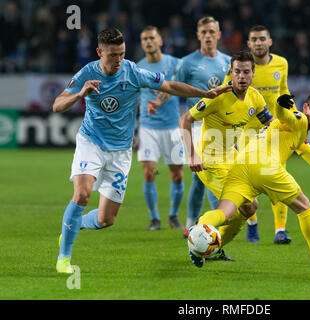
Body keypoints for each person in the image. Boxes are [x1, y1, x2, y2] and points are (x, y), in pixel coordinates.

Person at [52, 27, 231, 274]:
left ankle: (73, 226)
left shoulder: (132, 71)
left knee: (106, 220)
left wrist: (206, 93)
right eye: (113, 55)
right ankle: (64, 258)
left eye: (122, 54)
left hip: (121, 151)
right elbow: (57, 104)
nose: (118, 60)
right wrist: (79, 94)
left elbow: (170, 86)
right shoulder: (86, 73)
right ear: (99, 52)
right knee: (82, 194)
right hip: (91, 142)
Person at [189, 91, 310, 273]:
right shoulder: (300, 119)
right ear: (306, 108)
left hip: (243, 167)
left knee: (227, 212)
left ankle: (197, 238)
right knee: (304, 207)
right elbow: (284, 115)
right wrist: (279, 104)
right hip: (266, 167)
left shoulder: (299, 135)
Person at [179, 50, 274, 265]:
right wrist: (192, 155)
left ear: (253, 73)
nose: (241, 76)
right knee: (235, 209)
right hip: (209, 162)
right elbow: (185, 119)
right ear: (231, 72)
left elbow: (269, 123)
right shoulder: (217, 97)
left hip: (232, 158)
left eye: (246, 72)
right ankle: (198, 240)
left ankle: (212, 244)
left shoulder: (255, 97)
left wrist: (295, 128)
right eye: (237, 71)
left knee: (250, 208)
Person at [223, 25, 297, 244]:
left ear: (270, 41)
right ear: (249, 43)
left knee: (278, 178)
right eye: (254, 39)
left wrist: (292, 119)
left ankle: (280, 231)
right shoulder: (242, 68)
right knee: (249, 182)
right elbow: (228, 90)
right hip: (247, 132)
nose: (258, 43)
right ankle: (252, 222)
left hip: (274, 130)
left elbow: (284, 92)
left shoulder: (281, 63)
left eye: (262, 38)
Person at [175, 16, 231, 234]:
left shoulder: (227, 62)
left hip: (222, 126)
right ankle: (206, 222)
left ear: (219, 35)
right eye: (204, 32)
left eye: (212, 32)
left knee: (202, 178)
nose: (208, 36)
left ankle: (193, 222)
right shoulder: (187, 63)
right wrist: (159, 103)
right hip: (197, 125)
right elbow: (174, 88)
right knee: (205, 173)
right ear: (198, 36)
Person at [136, 26, 184, 231]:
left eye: (152, 38)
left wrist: (156, 102)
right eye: (144, 39)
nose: (148, 42)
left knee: (177, 175)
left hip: (172, 127)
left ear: (160, 41)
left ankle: (173, 216)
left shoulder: (175, 63)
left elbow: (172, 88)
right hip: (148, 128)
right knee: (148, 172)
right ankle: (154, 219)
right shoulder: (137, 68)